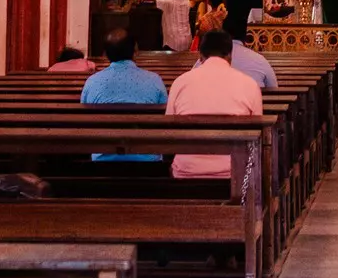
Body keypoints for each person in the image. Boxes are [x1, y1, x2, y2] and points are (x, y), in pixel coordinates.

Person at [165, 27, 263, 178]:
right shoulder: (249, 84)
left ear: (200, 55)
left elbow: (169, 130)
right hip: (235, 172)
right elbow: (257, 134)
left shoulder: (180, 82)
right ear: (230, 55)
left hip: (186, 170)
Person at [82, 27, 167, 162]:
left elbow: (85, 119)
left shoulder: (92, 82)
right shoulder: (154, 79)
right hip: (147, 158)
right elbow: (164, 119)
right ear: (135, 52)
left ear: (105, 54)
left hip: (102, 158)